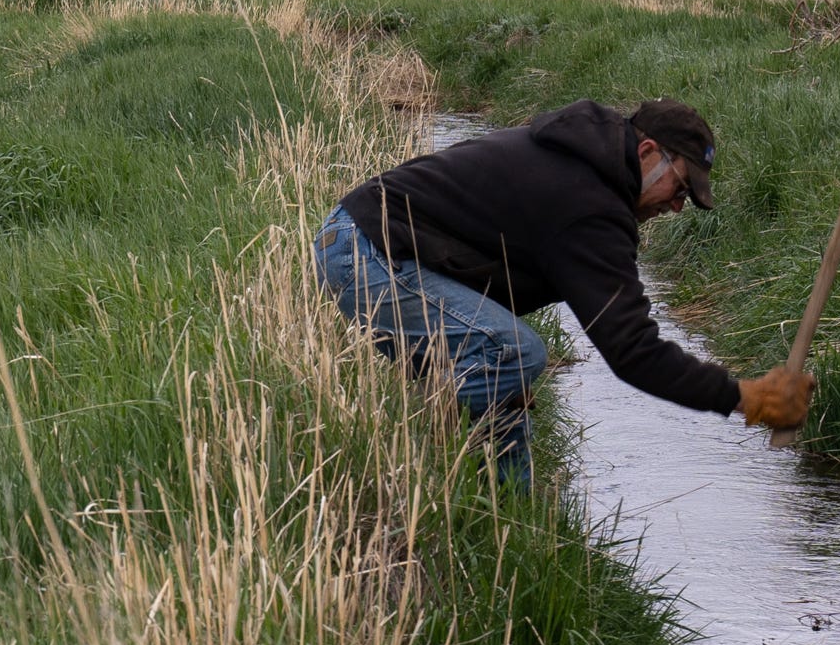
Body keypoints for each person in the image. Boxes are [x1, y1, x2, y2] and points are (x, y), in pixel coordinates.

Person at [318, 97, 810, 483]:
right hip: (368, 253)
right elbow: (633, 351)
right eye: (680, 189)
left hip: (373, 245)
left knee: (505, 399)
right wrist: (745, 398)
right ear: (647, 153)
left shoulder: (586, 165)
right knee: (514, 352)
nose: (678, 207)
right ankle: (402, 477)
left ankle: (506, 522)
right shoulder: (587, 205)